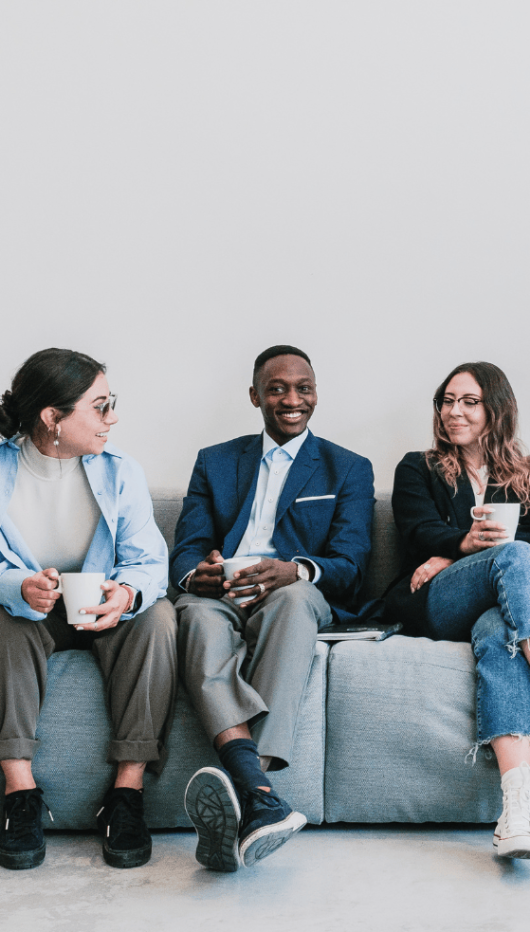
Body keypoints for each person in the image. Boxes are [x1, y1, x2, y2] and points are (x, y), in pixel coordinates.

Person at [384, 361, 530, 860]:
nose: (455, 411)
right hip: (438, 602)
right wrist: (460, 546)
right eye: (448, 401)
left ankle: (517, 815)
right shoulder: (418, 466)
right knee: (515, 556)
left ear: (496, 408)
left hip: (499, 607)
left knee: (500, 631)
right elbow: (417, 528)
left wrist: (459, 553)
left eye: (469, 401)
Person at [170, 344, 374, 872]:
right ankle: (261, 800)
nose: (292, 399)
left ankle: (245, 782)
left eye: (303, 387)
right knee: (192, 613)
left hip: (293, 592)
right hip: (223, 596)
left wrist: (296, 569)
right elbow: (186, 550)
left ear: (315, 393)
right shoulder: (215, 460)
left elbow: (351, 564)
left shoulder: (347, 468)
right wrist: (200, 574)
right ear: (255, 395)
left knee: (295, 600)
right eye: (278, 388)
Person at [0, 348, 177, 871]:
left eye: (112, 403)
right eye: (100, 406)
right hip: (28, 612)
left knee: (158, 619)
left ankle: (126, 795)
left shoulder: (121, 473)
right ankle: (20, 796)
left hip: (98, 609)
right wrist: (16, 585)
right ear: (53, 417)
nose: (112, 418)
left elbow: (148, 561)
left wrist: (128, 593)